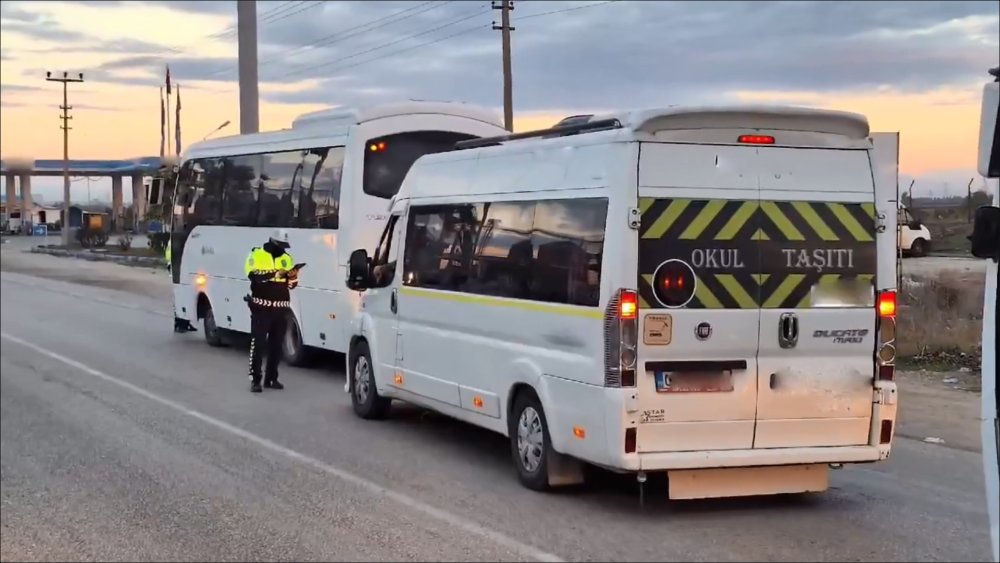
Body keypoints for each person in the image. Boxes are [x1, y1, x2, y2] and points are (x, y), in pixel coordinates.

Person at [244, 236, 300, 393]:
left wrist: (293, 276)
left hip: (281, 310)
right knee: (258, 344)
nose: (283, 250)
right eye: (281, 246)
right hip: (261, 308)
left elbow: (291, 285)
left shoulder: (286, 258)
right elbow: (253, 276)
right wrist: (275, 274)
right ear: (273, 243)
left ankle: (271, 378)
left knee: (276, 346)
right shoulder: (256, 254)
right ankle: (255, 380)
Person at [165, 240, 197, 333]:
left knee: (186, 296)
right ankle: (179, 324)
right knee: (181, 296)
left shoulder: (175, 240)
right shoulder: (176, 240)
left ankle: (185, 322)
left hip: (179, 268)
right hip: (177, 269)